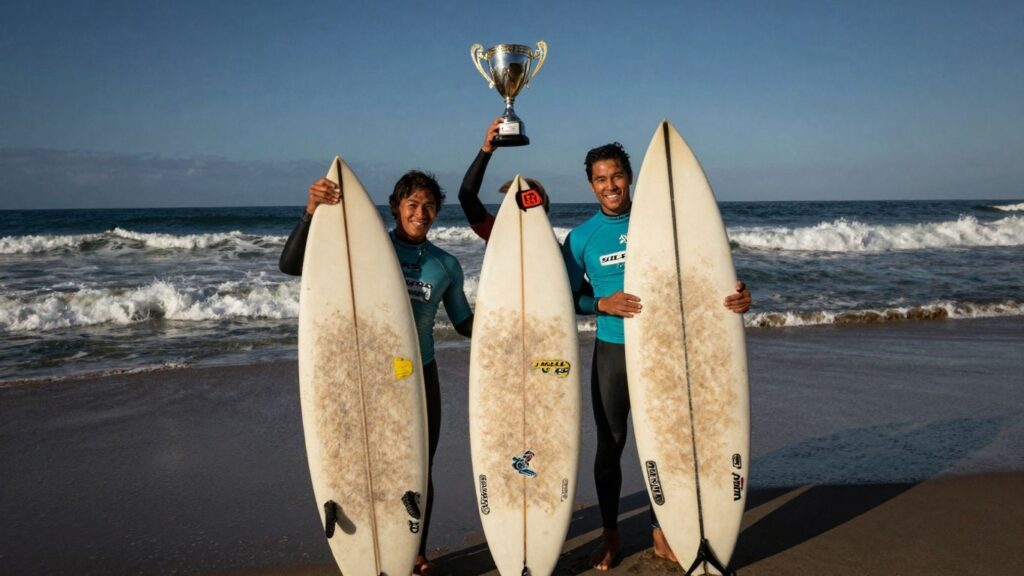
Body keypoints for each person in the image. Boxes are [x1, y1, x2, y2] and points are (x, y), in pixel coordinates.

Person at [560, 142, 752, 571]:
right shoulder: (581, 239)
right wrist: (600, 304)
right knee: (610, 445)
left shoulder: (664, 226)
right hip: (614, 350)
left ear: (630, 177)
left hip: (665, 350)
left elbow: (703, 274)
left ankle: (663, 532)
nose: (610, 186)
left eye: (617, 176)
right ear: (591, 185)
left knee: (666, 441)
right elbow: (566, 296)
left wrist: (736, 297)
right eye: (601, 179)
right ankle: (610, 536)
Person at [280, 170, 473, 576]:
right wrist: (310, 212)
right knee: (362, 459)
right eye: (413, 205)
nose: (421, 213)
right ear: (396, 207)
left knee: (417, 466)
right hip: (362, 377)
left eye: (429, 206)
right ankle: (366, 544)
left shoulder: (445, 264)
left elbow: (465, 324)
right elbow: (293, 265)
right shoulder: (364, 250)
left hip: (418, 375)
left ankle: (413, 550)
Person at [458, 117, 549, 242]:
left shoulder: (557, 250)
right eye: (511, 205)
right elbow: (467, 196)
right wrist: (486, 150)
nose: (518, 212)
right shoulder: (497, 234)